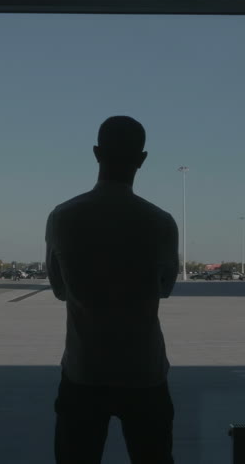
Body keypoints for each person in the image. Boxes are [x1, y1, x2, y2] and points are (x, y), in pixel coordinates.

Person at [45, 116, 179, 464]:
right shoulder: (161, 222)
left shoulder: (63, 217)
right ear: (142, 158)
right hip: (144, 371)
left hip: (83, 370)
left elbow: (59, 289)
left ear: (96, 153)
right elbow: (165, 288)